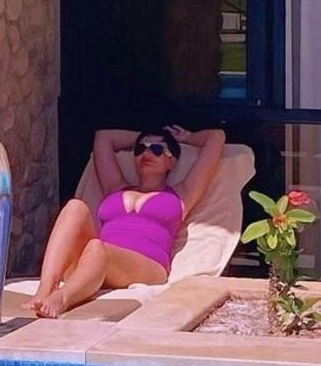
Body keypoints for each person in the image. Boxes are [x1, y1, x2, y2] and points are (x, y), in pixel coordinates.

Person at [26, 125, 226, 318]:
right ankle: (45, 289)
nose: (146, 153)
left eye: (157, 149)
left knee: (98, 248)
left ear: (171, 162)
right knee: (75, 207)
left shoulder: (183, 195)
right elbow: (104, 137)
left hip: (148, 264)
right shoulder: (115, 187)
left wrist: (183, 138)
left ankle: (62, 298)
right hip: (96, 258)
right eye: (140, 149)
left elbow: (216, 137)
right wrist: (145, 136)